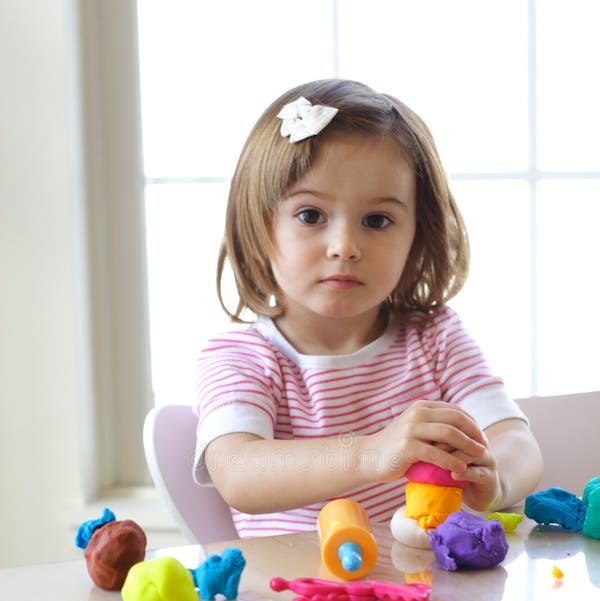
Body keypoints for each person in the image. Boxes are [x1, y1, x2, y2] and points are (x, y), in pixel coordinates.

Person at [193, 78, 542, 537]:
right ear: (260, 228)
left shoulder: (434, 338)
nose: (345, 246)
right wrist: (370, 453)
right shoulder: (241, 357)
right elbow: (238, 471)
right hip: (293, 600)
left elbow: (517, 441)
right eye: (311, 215)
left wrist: (495, 478)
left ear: (418, 235)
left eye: (377, 220)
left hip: (431, 598)